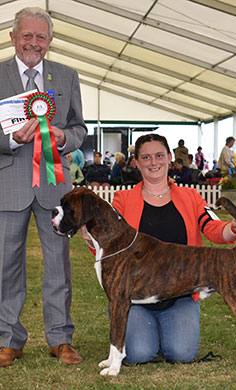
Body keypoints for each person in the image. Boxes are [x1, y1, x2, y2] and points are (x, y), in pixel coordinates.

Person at [109, 134, 236, 365]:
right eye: (146, 157)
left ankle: (161, 330)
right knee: (138, 354)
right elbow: (109, 244)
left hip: (182, 294)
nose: (153, 162)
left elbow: (211, 226)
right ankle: (143, 332)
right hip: (134, 297)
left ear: (169, 158)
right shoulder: (122, 199)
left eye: (159, 156)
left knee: (182, 353)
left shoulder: (190, 196)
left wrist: (233, 228)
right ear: (137, 162)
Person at [0, 7, 87, 367]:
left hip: (55, 186)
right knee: (5, 266)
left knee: (58, 265)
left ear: (49, 41)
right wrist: (13, 141)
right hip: (8, 184)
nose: (33, 42)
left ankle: (60, 339)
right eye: (27, 36)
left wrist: (64, 136)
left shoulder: (66, 76)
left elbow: (80, 129)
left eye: (40, 37)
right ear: (13, 37)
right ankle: (8, 339)